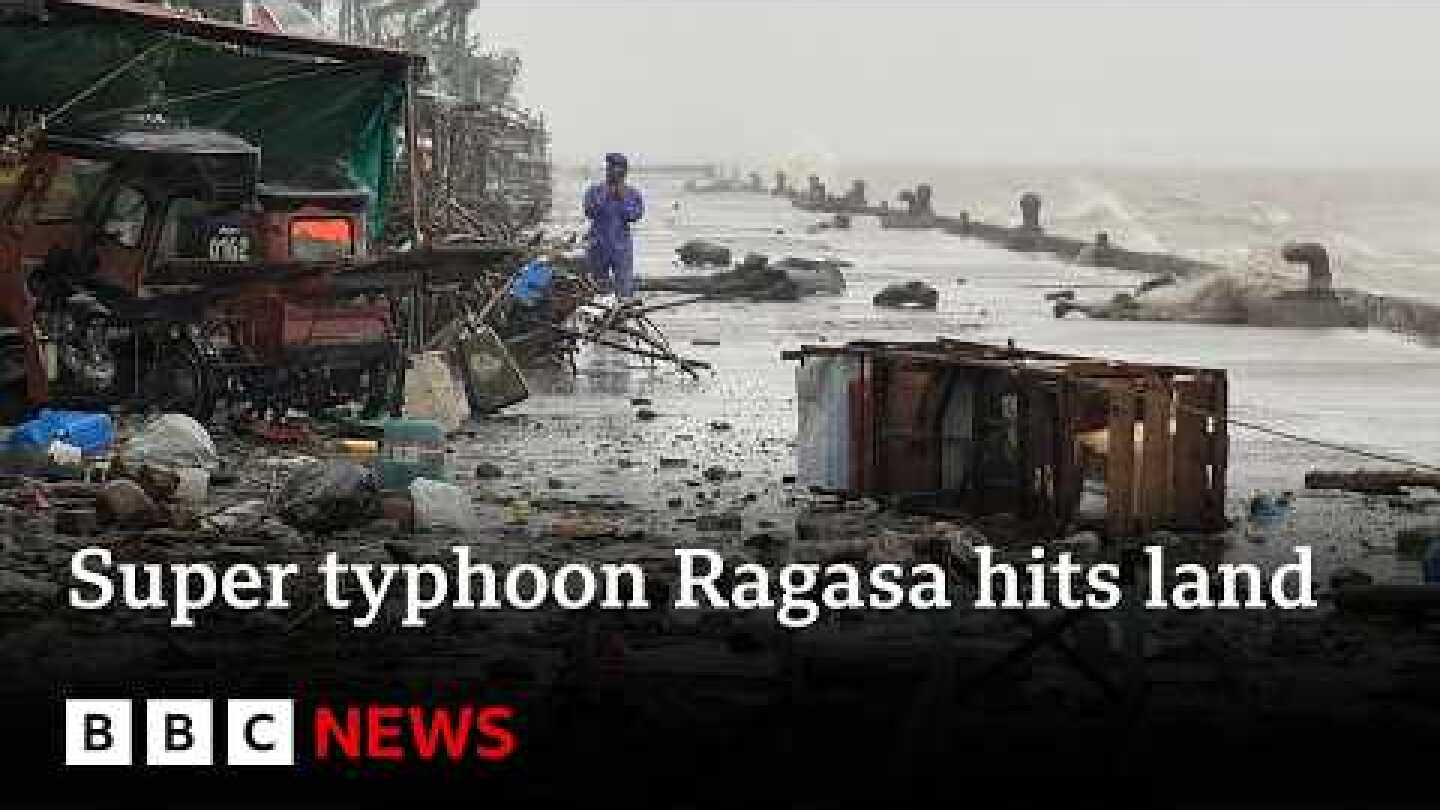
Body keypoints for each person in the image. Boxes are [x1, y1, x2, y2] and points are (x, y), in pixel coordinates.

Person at [584, 153, 644, 300]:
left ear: (625, 172)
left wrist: (622, 198)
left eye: (619, 170)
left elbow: (634, 216)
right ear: (607, 170)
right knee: (598, 287)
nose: (614, 173)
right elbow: (590, 211)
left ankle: (620, 317)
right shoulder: (594, 191)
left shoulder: (632, 194)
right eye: (611, 168)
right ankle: (599, 316)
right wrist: (605, 196)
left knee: (624, 288)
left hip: (621, 248)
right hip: (598, 245)